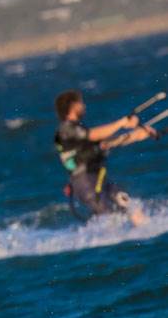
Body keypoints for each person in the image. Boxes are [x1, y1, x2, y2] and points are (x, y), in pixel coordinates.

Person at [53, 89, 155, 224]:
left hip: (99, 179)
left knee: (131, 206)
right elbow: (94, 135)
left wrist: (138, 135)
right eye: (81, 103)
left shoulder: (79, 130)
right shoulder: (66, 129)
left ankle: (147, 228)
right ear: (73, 106)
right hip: (85, 183)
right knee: (110, 219)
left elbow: (107, 143)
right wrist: (121, 123)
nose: (84, 106)